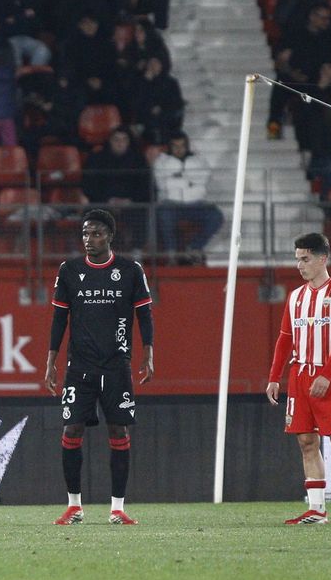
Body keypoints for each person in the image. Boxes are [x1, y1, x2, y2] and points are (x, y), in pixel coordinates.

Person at [43, 209, 155, 526]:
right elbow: (59, 318)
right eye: (85, 234)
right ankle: (74, 505)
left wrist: (148, 351)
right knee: (71, 429)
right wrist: (51, 361)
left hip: (117, 365)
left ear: (110, 236)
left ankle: (117, 508)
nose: (89, 240)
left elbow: (144, 314)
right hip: (79, 367)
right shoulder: (70, 270)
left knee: (118, 430)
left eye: (95, 234)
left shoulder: (130, 270)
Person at [266, 233, 331, 526]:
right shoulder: (295, 297)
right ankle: (316, 510)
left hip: (329, 377)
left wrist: (326, 374)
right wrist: (274, 377)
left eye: (305, 259)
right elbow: (284, 339)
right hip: (299, 376)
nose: (300, 265)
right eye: (297, 259)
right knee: (307, 442)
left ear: (323, 259)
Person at [153, 132, 223, 262]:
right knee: (163, 215)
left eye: (182, 145)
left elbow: (204, 179)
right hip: (171, 203)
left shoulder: (199, 160)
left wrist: (176, 177)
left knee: (216, 216)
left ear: (187, 146)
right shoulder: (161, 161)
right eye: (175, 146)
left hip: (196, 203)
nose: (179, 149)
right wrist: (190, 180)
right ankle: (171, 252)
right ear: (170, 147)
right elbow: (163, 184)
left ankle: (194, 247)